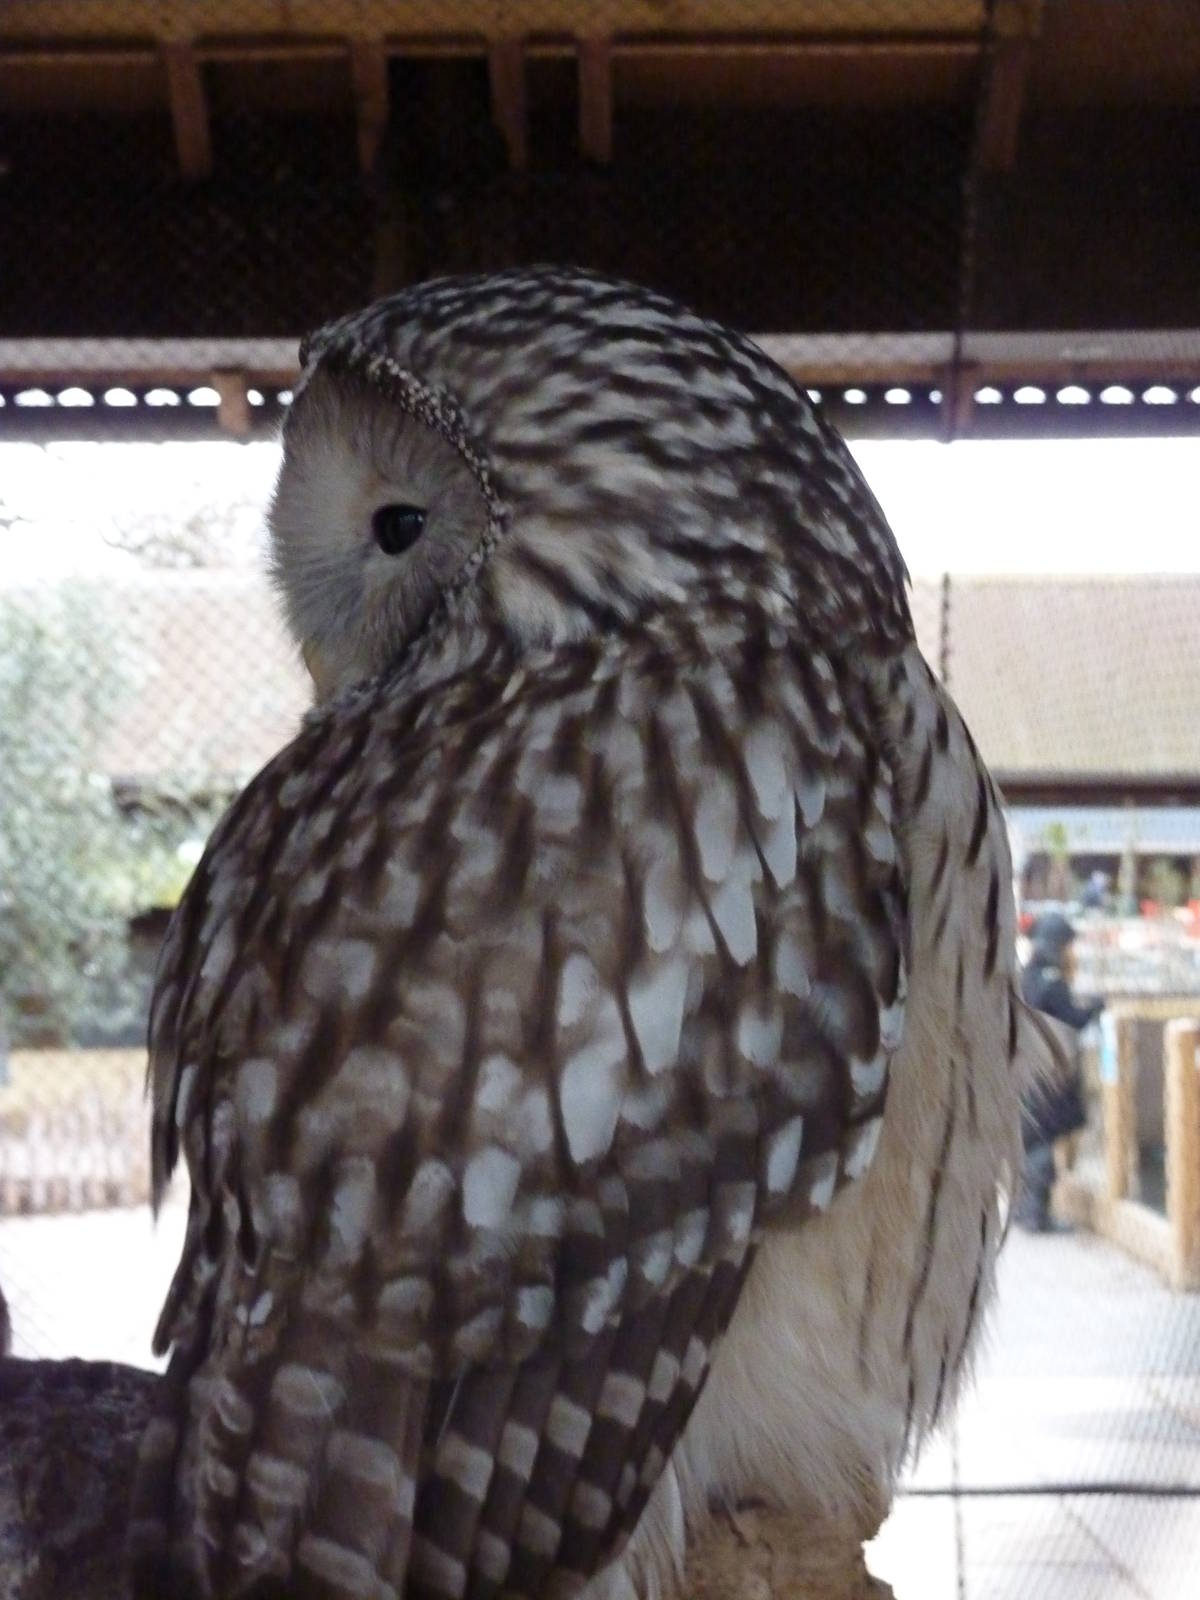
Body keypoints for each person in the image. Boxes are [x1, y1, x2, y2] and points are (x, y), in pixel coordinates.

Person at [1015, 911, 1104, 1233]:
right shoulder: (1051, 983)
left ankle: (1024, 1212)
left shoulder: (1026, 977)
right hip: (1047, 1077)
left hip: (1027, 1072)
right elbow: (1072, 1020)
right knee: (1041, 1143)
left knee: (1031, 1140)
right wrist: (1095, 1007)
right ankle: (1035, 1216)